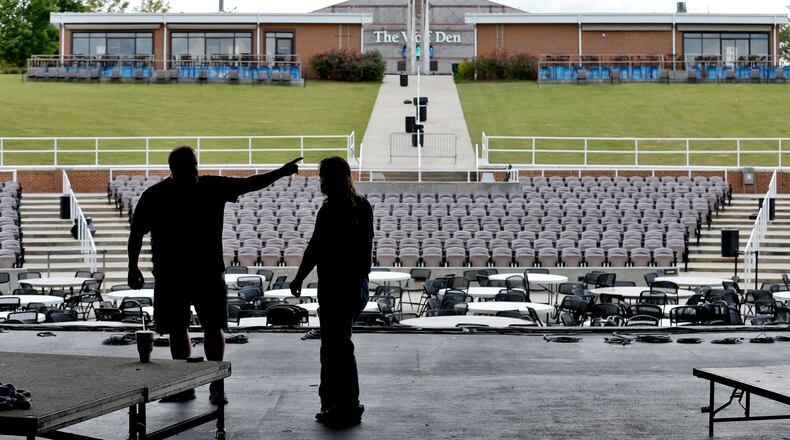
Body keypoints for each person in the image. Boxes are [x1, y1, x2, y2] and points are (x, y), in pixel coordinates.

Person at [127, 145, 301, 404]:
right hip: (203, 272)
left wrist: (133, 267)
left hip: (174, 272)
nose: (195, 171)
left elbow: (136, 234)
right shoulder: (209, 187)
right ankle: (208, 386)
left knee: (186, 327)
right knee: (205, 327)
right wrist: (281, 172)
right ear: (176, 169)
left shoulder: (156, 195)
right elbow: (250, 184)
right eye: (190, 167)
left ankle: (194, 386)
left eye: (194, 165)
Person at [290, 156, 373, 428]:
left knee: (336, 348)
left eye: (322, 176)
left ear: (329, 178)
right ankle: (337, 403)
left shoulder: (329, 211)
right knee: (340, 345)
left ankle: (343, 404)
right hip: (356, 286)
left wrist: (299, 277)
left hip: (336, 287)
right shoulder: (363, 207)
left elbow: (315, 248)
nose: (320, 181)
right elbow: (366, 252)